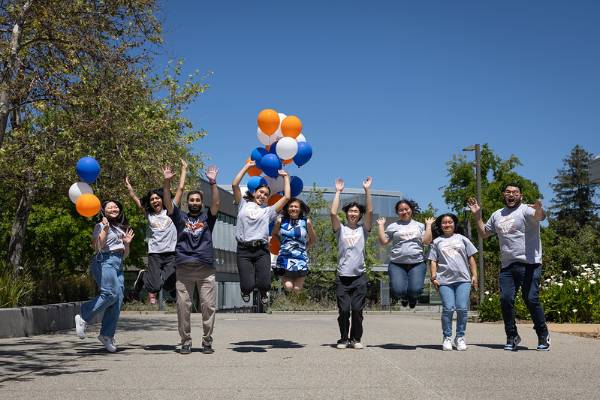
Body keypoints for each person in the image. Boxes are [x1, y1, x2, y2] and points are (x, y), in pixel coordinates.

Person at [468, 183, 550, 351]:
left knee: (531, 299)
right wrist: (477, 216)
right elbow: (484, 234)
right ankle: (512, 336)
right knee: (505, 300)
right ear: (504, 195)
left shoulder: (526, 210)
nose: (511, 194)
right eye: (508, 192)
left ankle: (542, 334)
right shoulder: (497, 214)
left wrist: (540, 209)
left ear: (521, 196)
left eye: (515, 192)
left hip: (530, 264)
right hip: (508, 265)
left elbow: (539, 216)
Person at [163, 164, 220, 355]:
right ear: (188, 203)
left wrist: (213, 183)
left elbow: (217, 204)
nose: (195, 202)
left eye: (197, 200)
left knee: (208, 307)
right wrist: (167, 181)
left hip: (206, 270)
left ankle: (207, 341)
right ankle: (185, 341)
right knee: (182, 308)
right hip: (184, 270)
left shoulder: (208, 218)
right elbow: (169, 204)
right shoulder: (180, 218)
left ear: (201, 203)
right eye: (192, 200)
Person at [74, 200, 135, 353]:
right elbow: (97, 247)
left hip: (118, 263)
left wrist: (126, 243)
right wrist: (105, 230)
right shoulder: (100, 226)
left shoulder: (122, 228)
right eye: (110, 207)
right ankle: (84, 315)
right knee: (109, 294)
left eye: (116, 207)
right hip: (104, 261)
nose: (114, 209)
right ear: (104, 211)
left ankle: (107, 335)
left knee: (118, 299)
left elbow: (125, 254)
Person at [126, 159, 188, 304]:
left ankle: (171, 288)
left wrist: (183, 169)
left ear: (162, 199)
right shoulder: (149, 214)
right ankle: (143, 276)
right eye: (152, 199)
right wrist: (130, 189)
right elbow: (135, 199)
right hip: (155, 254)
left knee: (168, 284)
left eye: (157, 198)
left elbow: (181, 188)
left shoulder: (172, 209)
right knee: (154, 286)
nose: (154, 201)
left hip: (171, 253)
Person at [232, 161, 290, 305]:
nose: (263, 196)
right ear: (254, 192)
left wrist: (286, 177)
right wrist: (246, 167)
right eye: (261, 192)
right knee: (248, 285)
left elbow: (287, 197)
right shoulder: (242, 204)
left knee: (264, 283)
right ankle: (245, 290)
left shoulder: (268, 211)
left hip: (261, 249)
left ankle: (264, 291)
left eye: (266, 195)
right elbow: (234, 185)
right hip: (244, 249)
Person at [330, 177, 372, 350]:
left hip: (359, 278)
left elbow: (369, 211)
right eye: (350, 211)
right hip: (342, 277)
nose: (353, 213)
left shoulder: (364, 229)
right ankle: (343, 339)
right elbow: (333, 213)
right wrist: (338, 192)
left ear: (359, 215)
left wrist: (367, 190)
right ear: (346, 214)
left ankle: (355, 339)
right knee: (344, 311)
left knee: (356, 310)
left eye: (356, 211)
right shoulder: (340, 229)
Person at [428, 213, 478, 351]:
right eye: (444, 222)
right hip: (444, 280)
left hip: (463, 279)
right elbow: (432, 260)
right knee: (448, 308)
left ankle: (460, 337)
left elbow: (471, 258)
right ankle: (447, 338)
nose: (447, 224)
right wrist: (433, 277)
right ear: (440, 225)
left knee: (462, 308)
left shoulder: (463, 239)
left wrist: (474, 275)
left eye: (450, 222)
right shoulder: (436, 241)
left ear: (454, 224)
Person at [376, 200, 434, 308]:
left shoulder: (420, 225)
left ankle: (412, 298)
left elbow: (426, 242)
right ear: (397, 212)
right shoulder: (393, 226)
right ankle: (403, 297)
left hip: (417, 262)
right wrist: (380, 226)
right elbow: (383, 241)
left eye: (406, 209)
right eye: (401, 210)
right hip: (397, 263)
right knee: (397, 291)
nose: (404, 211)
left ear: (411, 210)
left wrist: (428, 226)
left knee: (415, 290)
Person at [271, 198, 317, 293]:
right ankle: (286, 300)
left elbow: (313, 239)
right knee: (288, 286)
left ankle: (295, 305)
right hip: (284, 258)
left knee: (297, 289)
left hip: (300, 259)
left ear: (300, 209)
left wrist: (304, 249)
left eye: (296, 206)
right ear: (287, 209)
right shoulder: (281, 221)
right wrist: (281, 244)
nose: (293, 208)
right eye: (291, 206)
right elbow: (274, 234)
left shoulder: (306, 222)